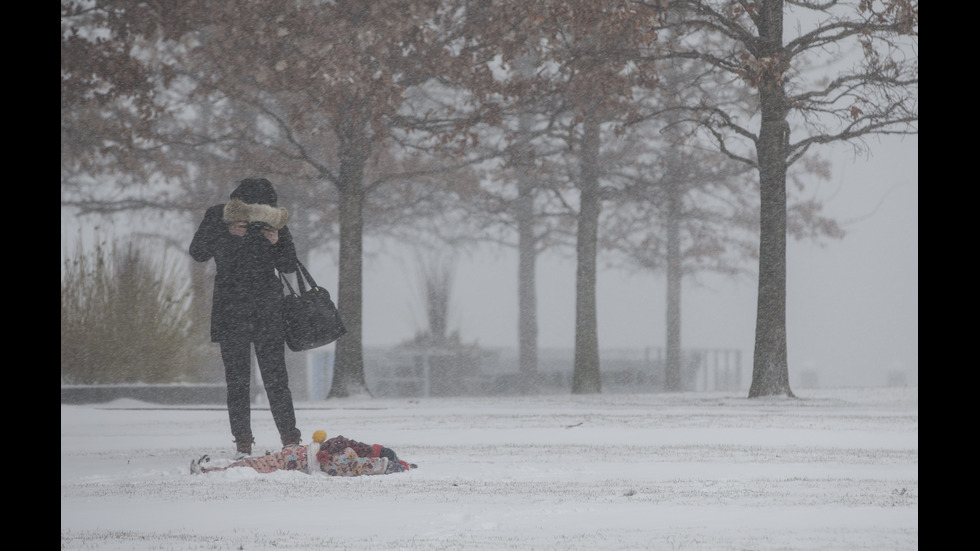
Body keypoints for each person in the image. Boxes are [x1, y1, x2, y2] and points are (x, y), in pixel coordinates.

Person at [189, 178, 302, 457]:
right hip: (231, 307)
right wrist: (226, 232)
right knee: (238, 380)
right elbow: (198, 252)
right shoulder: (219, 216)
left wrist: (276, 241)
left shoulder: (273, 221)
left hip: (267, 308)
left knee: (276, 377)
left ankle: (290, 438)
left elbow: (288, 264)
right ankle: (243, 441)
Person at [190, 430, 417, 476]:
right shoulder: (353, 456)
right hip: (296, 457)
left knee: (257, 463)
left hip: (298, 457)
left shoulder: (354, 457)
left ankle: (214, 470)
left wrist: (402, 464)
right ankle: (211, 471)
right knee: (256, 464)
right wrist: (393, 466)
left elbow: (365, 465)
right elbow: (364, 465)